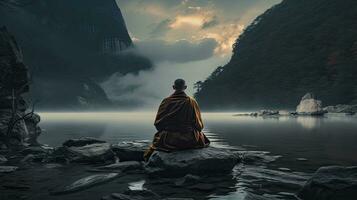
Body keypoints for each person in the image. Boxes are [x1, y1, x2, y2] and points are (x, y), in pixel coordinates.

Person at [144, 79, 210, 161]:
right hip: (190, 139)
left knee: (161, 135)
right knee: (200, 135)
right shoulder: (191, 101)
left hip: (168, 140)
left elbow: (158, 123)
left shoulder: (166, 101)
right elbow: (199, 126)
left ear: (173, 87)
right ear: (185, 87)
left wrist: (169, 128)